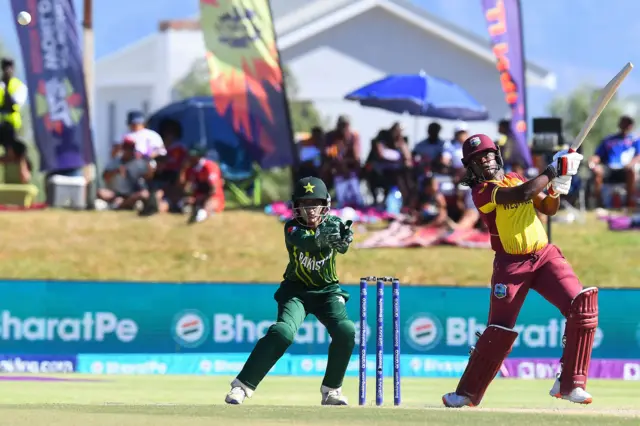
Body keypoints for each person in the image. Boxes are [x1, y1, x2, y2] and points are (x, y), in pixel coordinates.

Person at [442, 134, 598, 408]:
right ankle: (466, 393)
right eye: (478, 159)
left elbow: (548, 208)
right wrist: (552, 170)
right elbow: (520, 195)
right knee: (498, 330)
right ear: (471, 167)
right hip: (510, 265)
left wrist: (558, 185)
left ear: (498, 156)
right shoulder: (481, 192)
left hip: (545, 257)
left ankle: (571, 382)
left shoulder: (515, 177)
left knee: (582, 305)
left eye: (489, 154)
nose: (486, 161)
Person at [225, 176, 355, 406]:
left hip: (327, 292)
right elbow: (308, 244)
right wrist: (324, 237)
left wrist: (343, 238)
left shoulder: (333, 223)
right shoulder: (291, 227)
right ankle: (242, 386)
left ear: (325, 205)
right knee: (282, 332)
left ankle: (332, 391)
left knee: (346, 330)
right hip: (296, 293)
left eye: (315, 203)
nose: (311, 210)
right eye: (305, 204)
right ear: (296, 206)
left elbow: (343, 247)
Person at [589, 115, 640, 208]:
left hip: (625, 169)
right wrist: (593, 161)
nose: (626, 125)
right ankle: (599, 205)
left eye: (629, 123)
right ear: (619, 124)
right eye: (624, 122)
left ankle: (628, 204)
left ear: (632, 125)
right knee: (597, 171)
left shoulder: (635, 140)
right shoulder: (608, 140)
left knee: (632, 172)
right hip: (609, 168)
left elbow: (638, 156)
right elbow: (598, 155)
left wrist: (631, 163)